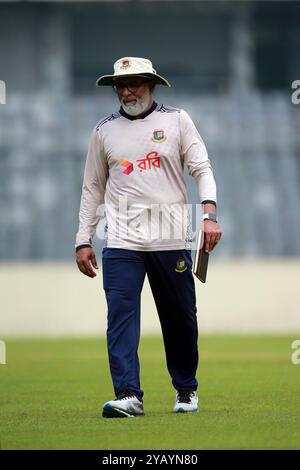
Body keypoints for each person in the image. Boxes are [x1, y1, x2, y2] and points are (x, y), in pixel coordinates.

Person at [75, 57, 222, 418]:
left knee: (180, 318)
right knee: (120, 317)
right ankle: (128, 395)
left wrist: (209, 215)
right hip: (121, 240)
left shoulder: (177, 120)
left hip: (170, 235)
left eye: (134, 84)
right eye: (120, 86)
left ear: (151, 84)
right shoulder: (103, 130)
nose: (126, 92)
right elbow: (92, 187)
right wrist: (83, 239)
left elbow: (202, 169)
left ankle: (186, 390)